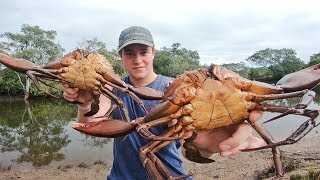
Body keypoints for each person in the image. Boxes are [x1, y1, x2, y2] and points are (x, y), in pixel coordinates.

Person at [63, 26, 266, 179]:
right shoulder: (111, 89)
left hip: (171, 174)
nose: (137, 60)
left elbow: (186, 145)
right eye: (129, 53)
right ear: (121, 57)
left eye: (143, 52)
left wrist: (207, 143)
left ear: (153, 53)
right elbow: (90, 124)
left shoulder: (177, 88)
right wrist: (84, 104)